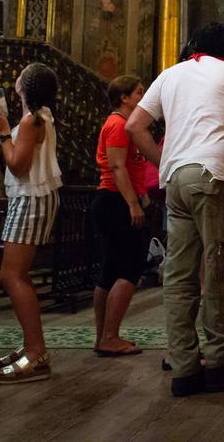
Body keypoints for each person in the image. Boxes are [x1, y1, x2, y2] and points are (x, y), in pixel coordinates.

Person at [124, 23, 224, 398]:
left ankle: (184, 367)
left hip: (176, 180)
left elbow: (135, 125)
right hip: (214, 176)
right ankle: (219, 360)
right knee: (217, 270)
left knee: (180, 275)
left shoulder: (170, 74)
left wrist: (165, 158)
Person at [0, 63, 63, 384]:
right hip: (33, 196)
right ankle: (33, 346)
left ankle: (36, 352)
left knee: (11, 275)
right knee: (16, 274)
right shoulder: (38, 116)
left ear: (25, 86)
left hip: (31, 196)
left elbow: (18, 165)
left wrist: (4, 133)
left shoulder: (32, 120)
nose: (15, 78)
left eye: (20, 75)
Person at [91, 75, 152, 357]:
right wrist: (133, 204)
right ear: (124, 98)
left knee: (111, 271)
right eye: (139, 92)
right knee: (130, 267)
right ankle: (110, 336)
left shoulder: (122, 124)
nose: (144, 96)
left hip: (116, 199)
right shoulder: (117, 124)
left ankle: (104, 335)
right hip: (115, 201)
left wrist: (140, 194)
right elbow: (117, 167)